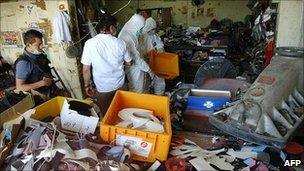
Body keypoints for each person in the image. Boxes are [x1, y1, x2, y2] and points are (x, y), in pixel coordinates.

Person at [81, 14, 132, 116]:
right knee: (122, 114)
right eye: (115, 27)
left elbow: (86, 69)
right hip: (120, 85)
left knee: (107, 115)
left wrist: (87, 85)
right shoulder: (120, 43)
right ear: (111, 27)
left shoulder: (90, 43)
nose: (116, 29)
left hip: (102, 88)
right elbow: (129, 62)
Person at [118, 14, 154, 93]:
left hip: (139, 66)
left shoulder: (132, 32)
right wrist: (149, 70)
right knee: (137, 90)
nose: (141, 30)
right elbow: (136, 58)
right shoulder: (126, 36)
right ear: (136, 25)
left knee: (142, 88)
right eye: (140, 28)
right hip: (134, 67)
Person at [15, 29, 53, 103]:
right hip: (37, 98)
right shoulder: (23, 63)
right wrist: (42, 83)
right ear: (28, 45)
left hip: (48, 91)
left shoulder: (38, 54)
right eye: (38, 45)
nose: (41, 47)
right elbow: (19, 87)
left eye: (41, 43)